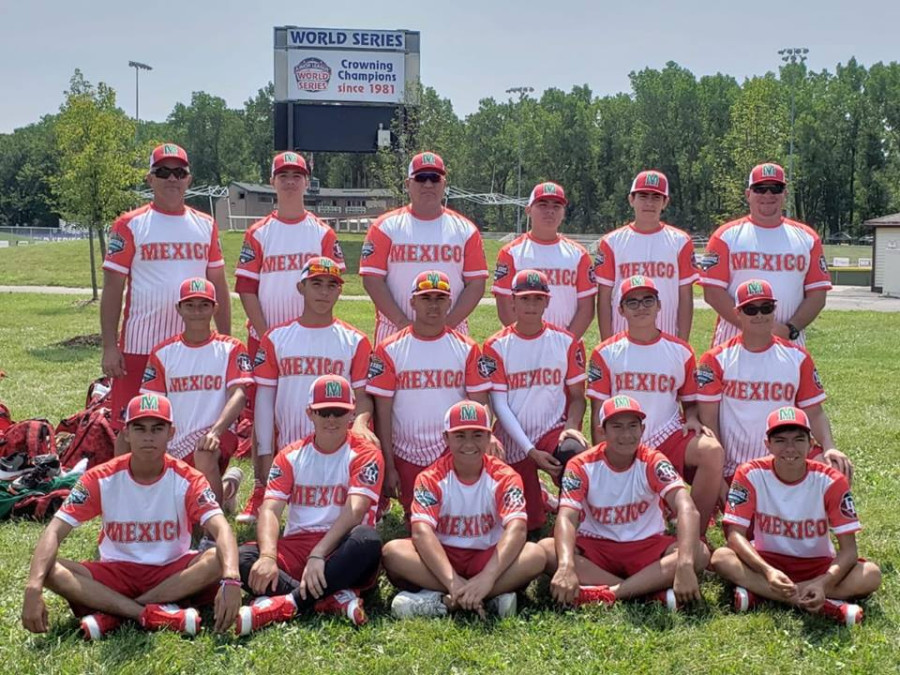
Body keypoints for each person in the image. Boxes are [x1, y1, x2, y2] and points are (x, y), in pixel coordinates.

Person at [21, 394, 242, 639]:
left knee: (219, 557)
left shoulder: (188, 478)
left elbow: (222, 529)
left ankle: (116, 613)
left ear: (171, 433)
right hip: (116, 573)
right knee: (49, 568)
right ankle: (149, 613)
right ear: (126, 433)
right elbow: (54, 530)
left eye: (157, 428)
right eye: (139, 428)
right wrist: (33, 587)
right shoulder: (100, 478)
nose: (148, 437)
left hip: (171, 571)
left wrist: (232, 579)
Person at [234, 151, 346, 520]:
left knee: (307, 410)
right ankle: (262, 489)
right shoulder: (259, 232)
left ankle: (316, 483)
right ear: (272, 181)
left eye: (297, 174)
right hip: (267, 335)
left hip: (311, 334)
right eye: (283, 174)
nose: (290, 180)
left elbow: (332, 284)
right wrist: (269, 337)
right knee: (263, 413)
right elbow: (247, 288)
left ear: (307, 181)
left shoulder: (322, 232)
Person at [101, 144, 231, 448]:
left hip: (192, 346)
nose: (171, 178)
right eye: (163, 172)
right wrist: (109, 345)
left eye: (179, 172)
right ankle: (124, 489)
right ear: (150, 179)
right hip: (139, 344)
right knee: (129, 427)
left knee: (186, 426)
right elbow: (112, 289)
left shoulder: (206, 224)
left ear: (189, 178)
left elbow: (219, 286)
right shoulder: (129, 224)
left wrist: (226, 340)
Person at [235, 375, 383, 634]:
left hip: (341, 547)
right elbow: (269, 509)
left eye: (339, 411)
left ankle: (290, 602)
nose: (331, 419)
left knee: (368, 541)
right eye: (323, 411)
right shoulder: (291, 454)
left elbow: (356, 511)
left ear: (351, 414)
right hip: (297, 547)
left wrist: (319, 553)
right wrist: (269, 556)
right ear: (310, 413)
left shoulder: (366, 453)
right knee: (243, 557)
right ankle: (331, 599)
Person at [711, 407, 881, 625]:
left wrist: (822, 582)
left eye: (798, 440)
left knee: (871, 574)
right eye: (780, 440)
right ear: (767, 445)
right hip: (767, 559)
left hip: (817, 565)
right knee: (721, 558)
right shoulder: (749, 473)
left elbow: (849, 551)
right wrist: (768, 571)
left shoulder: (831, 481)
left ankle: (761, 595)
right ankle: (826, 606)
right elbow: (735, 535)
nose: (790, 448)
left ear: (811, 444)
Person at [540, 395, 709, 610]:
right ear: (602, 431)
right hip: (598, 547)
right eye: (617, 427)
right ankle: (646, 591)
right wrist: (565, 564)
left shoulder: (653, 461)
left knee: (699, 553)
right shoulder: (581, 465)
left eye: (633, 426)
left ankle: (610, 593)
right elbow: (566, 517)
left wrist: (685, 563)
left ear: (643, 429)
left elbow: (687, 508)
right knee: (547, 550)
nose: (626, 435)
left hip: (646, 546)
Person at [241, 257, 375, 523]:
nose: (324, 292)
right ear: (301, 287)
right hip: (289, 445)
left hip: (336, 444)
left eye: (331, 285)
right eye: (316, 284)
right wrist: (266, 454)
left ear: (340, 290)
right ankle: (261, 491)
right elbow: (265, 400)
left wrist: (361, 424)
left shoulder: (355, 340)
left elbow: (362, 397)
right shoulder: (276, 337)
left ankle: (369, 500)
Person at [382, 400, 545, 618]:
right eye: (460, 435)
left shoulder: (505, 476)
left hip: (488, 555)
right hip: (441, 558)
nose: (469, 443)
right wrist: (453, 581)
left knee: (536, 555)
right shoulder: (431, 477)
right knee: (392, 553)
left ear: (489, 437)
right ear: (445, 438)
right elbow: (421, 532)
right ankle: (486, 598)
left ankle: (444, 602)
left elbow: (517, 529)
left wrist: (487, 577)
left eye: (477, 435)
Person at [587, 275, 724, 534]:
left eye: (648, 300)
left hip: (668, 434)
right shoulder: (605, 352)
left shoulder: (681, 350)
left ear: (659, 305)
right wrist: (603, 460)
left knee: (711, 451)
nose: (641, 307)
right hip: (624, 440)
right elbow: (598, 413)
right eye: (633, 302)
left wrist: (692, 417)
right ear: (621, 310)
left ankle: (696, 533)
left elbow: (689, 399)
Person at [696, 279, 851, 486]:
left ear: (774, 310)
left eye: (766, 308)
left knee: (836, 469)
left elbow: (814, 412)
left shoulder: (798, 357)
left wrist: (830, 446)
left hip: (786, 459)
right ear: (737, 313)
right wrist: (719, 472)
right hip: (734, 465)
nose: (759, 315)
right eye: (750, 309)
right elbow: (709, 420)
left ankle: (819, 518)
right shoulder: (716, 359)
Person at [367, 270, 492, 520]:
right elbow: (382, 413)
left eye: (440, 298)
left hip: (453, 452)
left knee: (457, 519)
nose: (433, 305)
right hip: (406, 452)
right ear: (412, 302)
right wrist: (389, 466)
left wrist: (487, 445)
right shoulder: (389, 349)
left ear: (449, 302)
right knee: (419, 524)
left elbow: (480, 405)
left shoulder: (467, 348)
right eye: (426, 298)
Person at [483, 269, 588, 532]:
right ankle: (539, 497)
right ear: (512, 301)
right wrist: (530, 451)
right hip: (512, 437)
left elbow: (577, 397)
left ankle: (575, 516)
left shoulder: (565, 341)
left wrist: (571, 427)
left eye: (538, 299)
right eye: (525, 298)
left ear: (547, 302)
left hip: (551, 430)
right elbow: (500, 405)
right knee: (530, 524)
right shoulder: (496, 345)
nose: (531, 305)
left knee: (574, 452)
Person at [139, 277, 252, 507]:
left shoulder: (231, 347)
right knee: (178, 503)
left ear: (215, 308)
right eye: (190, 305)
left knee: (204, 455)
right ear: (179, 308)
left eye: (204, 305)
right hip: (176, 438)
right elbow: (152, 403)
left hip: (217, 433)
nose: (197, 312)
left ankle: (211, 531)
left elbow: (239, 395)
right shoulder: (162, 353)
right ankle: (228, 488)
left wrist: (216, 432)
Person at [360, 151, 489, 344]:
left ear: (444, 184)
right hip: (394, 332)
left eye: (434, 178)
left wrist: (447, 325)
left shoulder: (466, 230)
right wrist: (402, 322)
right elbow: (372, 279)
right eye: (421, 178)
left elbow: (476, 284)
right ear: (407, 184)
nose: (428, 184)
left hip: (452, 333)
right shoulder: (385, 227)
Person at [699, 162, 832, 347]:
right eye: (760, 189)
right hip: (733, 344)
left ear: (785, 194)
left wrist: (790, 329)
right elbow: (712, 293)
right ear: (748, 195)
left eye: (775, 188)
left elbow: (817, 295)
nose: (768, 195)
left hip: (788, 344)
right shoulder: (725, 236)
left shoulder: (808, 238)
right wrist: (755, 328)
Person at [594, 170, 697, 341]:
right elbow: (604, 298)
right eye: (643, 196)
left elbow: (685, 297)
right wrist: (607, 344)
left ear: (665, 202)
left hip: (667, 338)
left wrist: (682, 343)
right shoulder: (611, 242)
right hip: (622, 340)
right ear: (631, 199)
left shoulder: (680, 241)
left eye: (656, 197)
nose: (649, 202)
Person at [492, 182, 596, 338]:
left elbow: (586, 309)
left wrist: (566, 344)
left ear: (563, 212)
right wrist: (527, 340)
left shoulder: (579, 254)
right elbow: (505, 306)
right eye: (542, 205)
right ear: (528, 210)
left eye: (556, 206)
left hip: (566, 343)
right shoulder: (511, 253)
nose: (550, 211)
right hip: (520, 341)